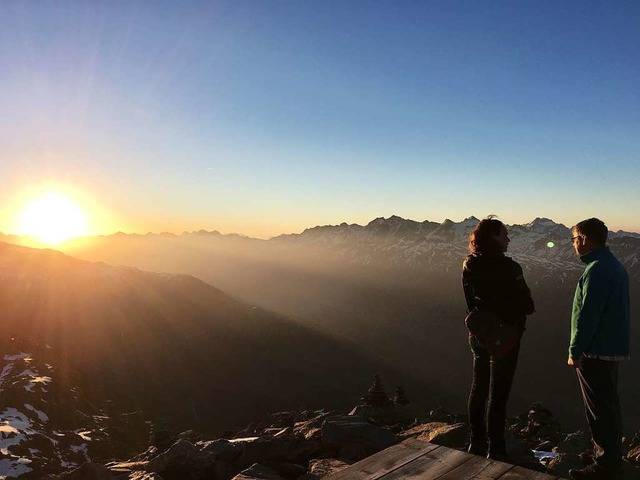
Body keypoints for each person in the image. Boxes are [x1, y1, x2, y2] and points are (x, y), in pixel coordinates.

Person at [462, 217, 535, 461]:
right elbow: (527, 304)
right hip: (506, 338)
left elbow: (470, 302)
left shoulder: (469, 265)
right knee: (499, 392)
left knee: (478, 387)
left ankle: (476, 442)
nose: (509, 239)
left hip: (480, 334)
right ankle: (497, 448)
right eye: (505, 235)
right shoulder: (510, 268)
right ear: (494, 237)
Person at [567, 218, 630, 480]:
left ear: (583, 239)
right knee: (608, 404)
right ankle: (607, 454)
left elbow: (587, 315)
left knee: (598, 408)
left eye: (574, 239)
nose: (572, 245)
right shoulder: (612, 265)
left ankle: (605, 466)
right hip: (611, 348)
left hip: (595, 351)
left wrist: (575, 350)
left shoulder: (596, 270)